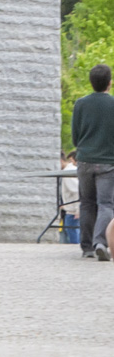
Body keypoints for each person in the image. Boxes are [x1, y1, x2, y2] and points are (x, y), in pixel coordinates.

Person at [72, 63, 114, 260]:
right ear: (110, 83)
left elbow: (75, 136)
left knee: (86, 203)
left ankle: (87, 247)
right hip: (108, 162)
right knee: (105, 204)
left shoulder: (80, 104)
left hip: (85, 160)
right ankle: (100, 242)